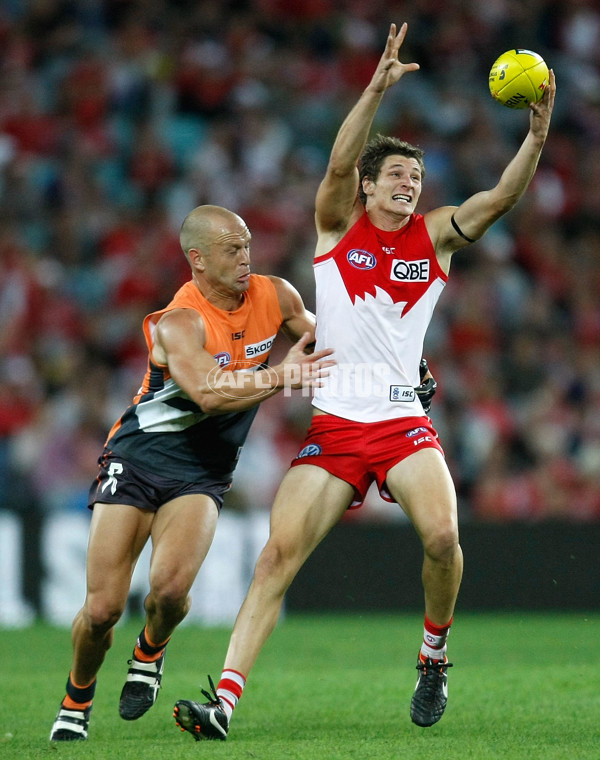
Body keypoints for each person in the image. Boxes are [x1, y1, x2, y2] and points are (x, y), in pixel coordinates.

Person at [172, 21, 556, 741]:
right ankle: (223, 702)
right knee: (276, 558)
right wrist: (376, 87)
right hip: (336, 426)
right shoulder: (334, 228)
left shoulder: (436, 235)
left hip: (404, 421)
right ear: (369, 188)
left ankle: (433, 655)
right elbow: (339, 162)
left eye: (416, 178)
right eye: (398, 177)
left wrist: (534, 138)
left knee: (443, 538)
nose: (410, 185)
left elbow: (500, 198)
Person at [48, 204, 337, 741]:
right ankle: (77, 695)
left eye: (248, 245)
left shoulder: (277, 296)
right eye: (233, 249)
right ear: (198, 260)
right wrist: (281, 376)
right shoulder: (179, 321)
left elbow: (333, 343)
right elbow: (206, 394)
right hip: (138, 459)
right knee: (102, 609)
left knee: (170, 594)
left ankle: (150, 652)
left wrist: (399, 368)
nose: (246, 257)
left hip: (202, 471)